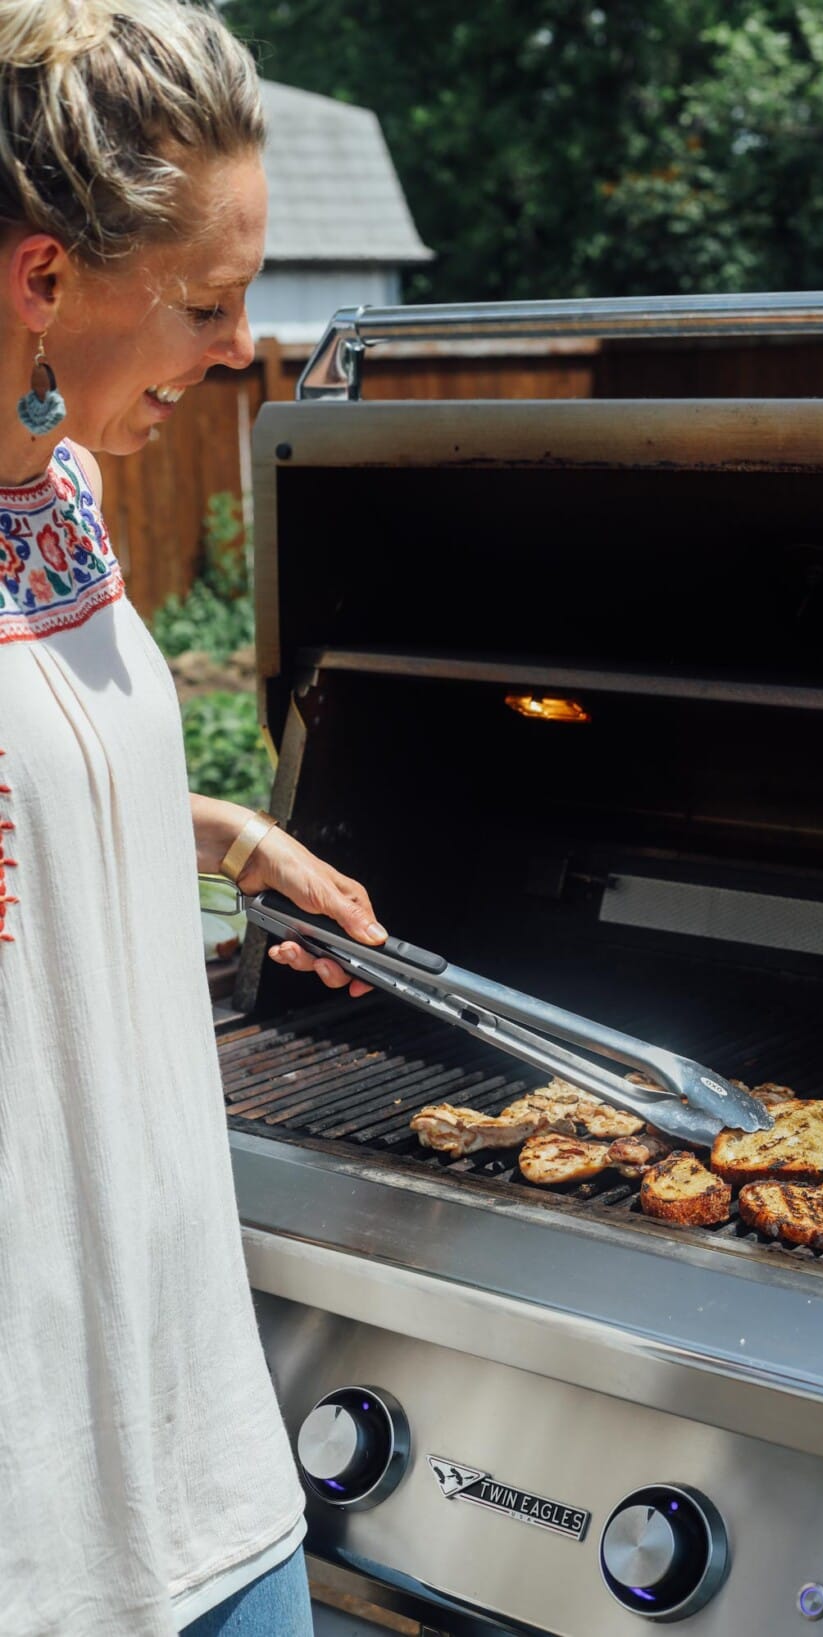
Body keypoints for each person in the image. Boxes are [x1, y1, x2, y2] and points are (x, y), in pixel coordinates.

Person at [0, 2, 387, 1632]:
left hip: (195, 1410)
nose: (241, 348)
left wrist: (223, 827)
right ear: (42, 282)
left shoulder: (65, 498)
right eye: (208, 304)